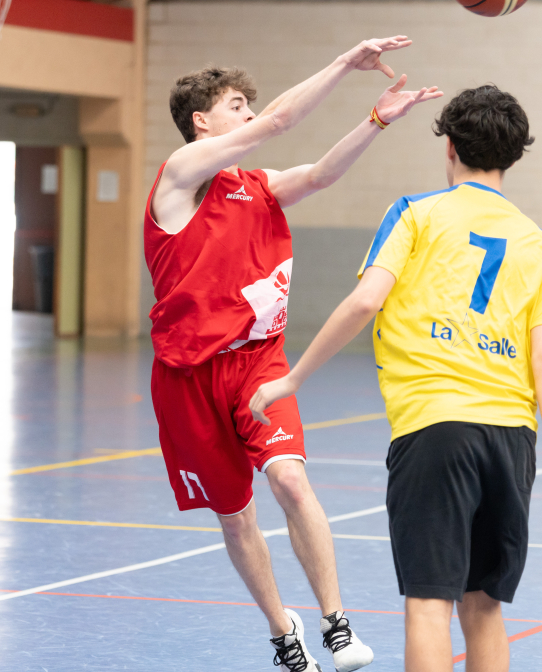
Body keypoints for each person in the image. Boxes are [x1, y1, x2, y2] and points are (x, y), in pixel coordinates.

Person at [250, 85, 542, 672]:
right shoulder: (541, 245)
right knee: (483, 606)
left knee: (429, 604)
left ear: (450, 146)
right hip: (512, 439)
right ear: (513, 157)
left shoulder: (415, 213)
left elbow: (366, 302)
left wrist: (294, 378)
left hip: (435, 428)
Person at [146, 37, 442, 672]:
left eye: (251, 104)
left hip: (257, 363)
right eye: (236, 105)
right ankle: (284, 631)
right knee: (235, 518)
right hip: (188, 377)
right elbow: (281, 120)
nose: (252, 113)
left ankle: (337, 625)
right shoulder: (178, 177)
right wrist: (344, 62)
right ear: (201, 122)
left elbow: (321, 173)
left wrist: (376, 120)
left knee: (289, 478)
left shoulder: (258, 186)